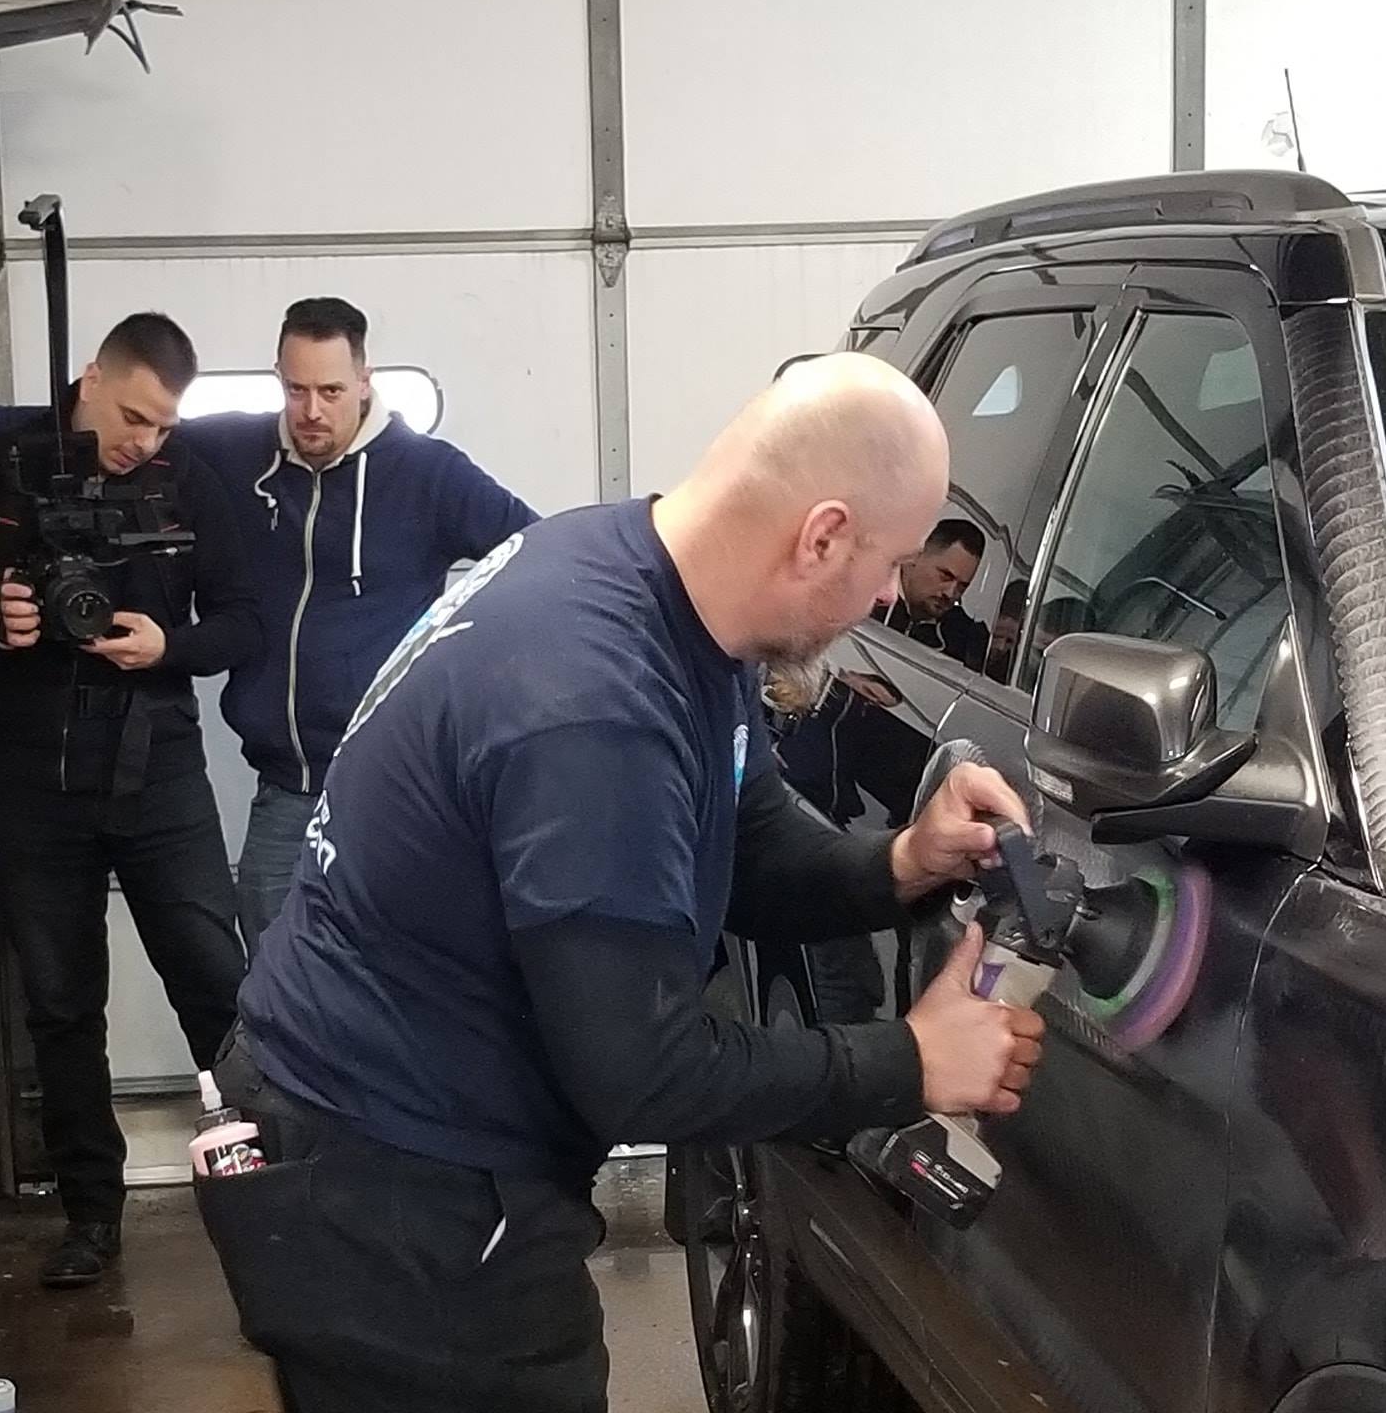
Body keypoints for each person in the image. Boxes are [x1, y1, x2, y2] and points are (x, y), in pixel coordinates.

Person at [198, 354, 1044, 1413]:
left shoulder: (649, 582)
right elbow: (643, 1075)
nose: (888, 596)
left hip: (397, 1146)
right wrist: (910, 1059)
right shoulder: (596, 704)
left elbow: (746, 840)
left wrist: (904, 860)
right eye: (891, 561)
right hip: (392, 1192)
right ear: (822, 534)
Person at [0, 314, 259, 1289]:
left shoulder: (189, 480)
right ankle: (91, 1216)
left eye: (163, 424)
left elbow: (245, 620)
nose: (146, 440)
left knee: (217, 984)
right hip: (28, 779)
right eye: (135, 416)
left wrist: (167, 646)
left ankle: (263, 1192)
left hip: (158, 770)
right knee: (60, 1007)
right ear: (91, 376)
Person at [186, 297, 535, 951]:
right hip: (286, 792)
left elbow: (536, 558)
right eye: (296, 390)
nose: (312, 411)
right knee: (272, 969)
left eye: (331, 391)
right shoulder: (232, 453)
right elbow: (126, 436)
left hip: (393, 791)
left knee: (398, 968)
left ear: (364, 381)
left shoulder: (428, 473)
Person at [777, 517, 989, 830]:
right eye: (945, 576)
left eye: (962, 586)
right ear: (915, 556)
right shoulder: (856, 591)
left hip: (883, 810)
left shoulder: (964, 639)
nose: (951, 593)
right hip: (807, 775)